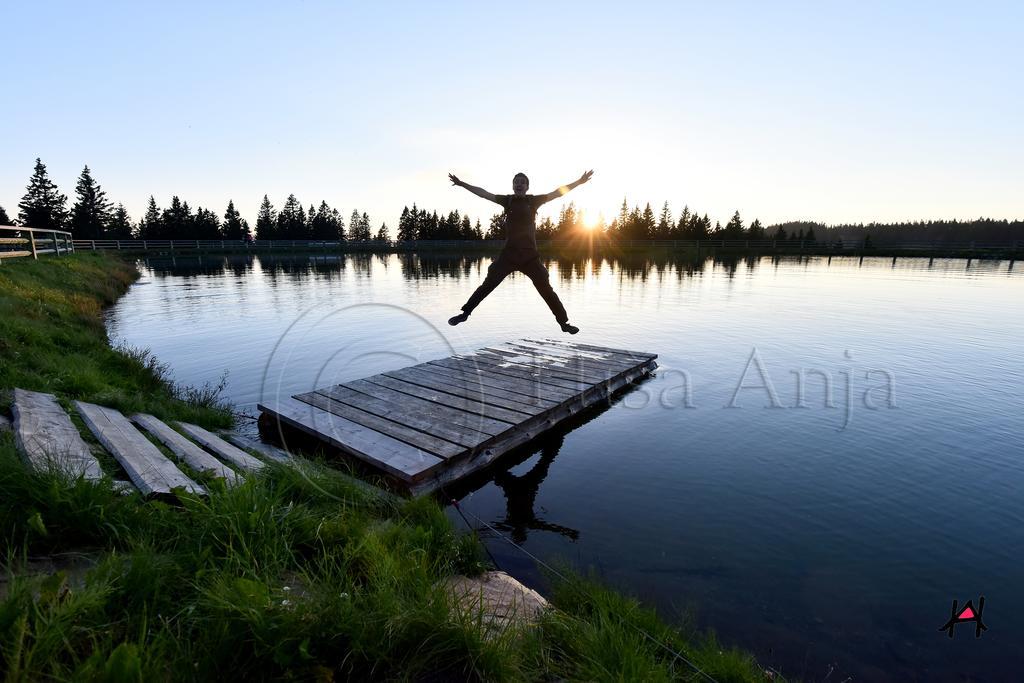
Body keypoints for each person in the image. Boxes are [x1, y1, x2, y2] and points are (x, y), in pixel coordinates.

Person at [446, 169, 593, 334]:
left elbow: (557, 193)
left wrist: (578, 182)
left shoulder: (534, 201)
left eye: (523, 182)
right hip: (509, 256)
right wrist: (462, 184)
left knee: (546, 290)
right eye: (516, 182)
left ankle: (563, 323)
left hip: (530, 257)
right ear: (513, 186)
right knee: (488, 285)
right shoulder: (507, 201)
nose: (519, 184)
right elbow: (483, 194)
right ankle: (465, 313)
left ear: (527, 186)